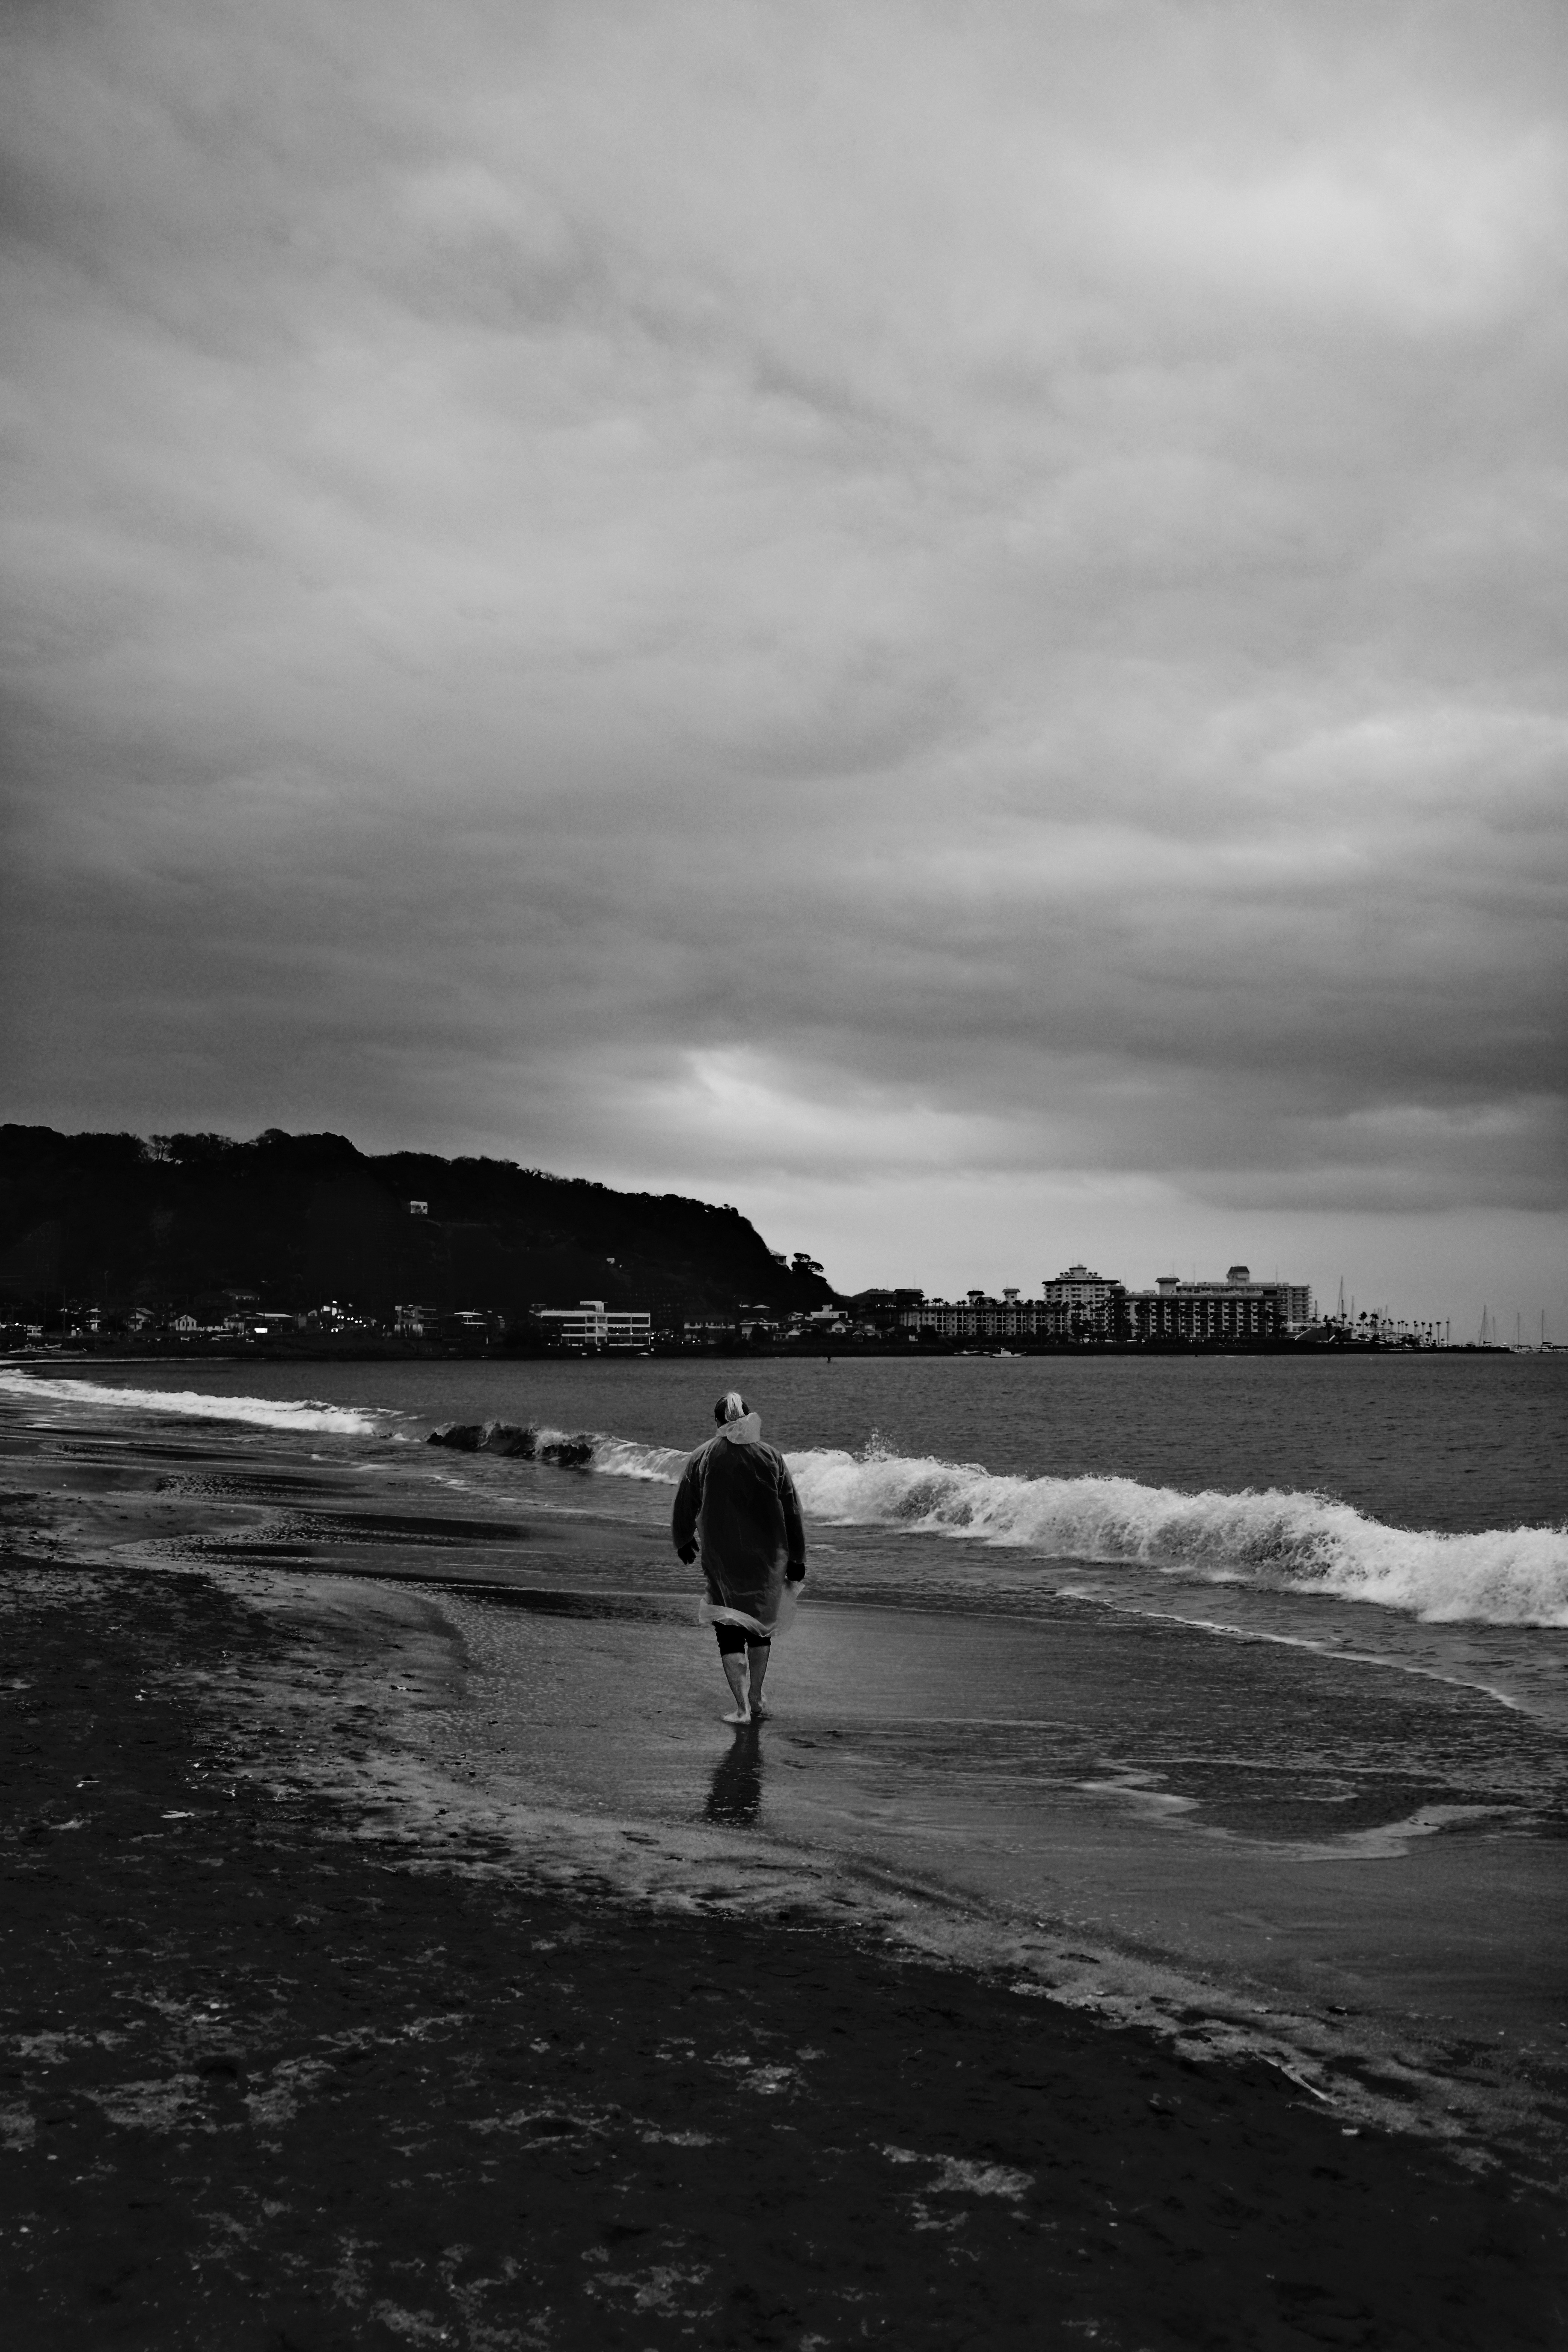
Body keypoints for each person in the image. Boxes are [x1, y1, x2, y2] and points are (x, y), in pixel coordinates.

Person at [672, 1391, 807, 1724]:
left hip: (722, 1555)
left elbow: (685, 1500)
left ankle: (742, 1710)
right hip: (769, 1556)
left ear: (718, 1422)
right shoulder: (771, 1456)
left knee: (728, 1626)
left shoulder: (704, 1456)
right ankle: (757, 1697)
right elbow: (792, 1510)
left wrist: (684, 1539)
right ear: (747, 1418)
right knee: (760, 1627)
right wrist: (798, 1557)